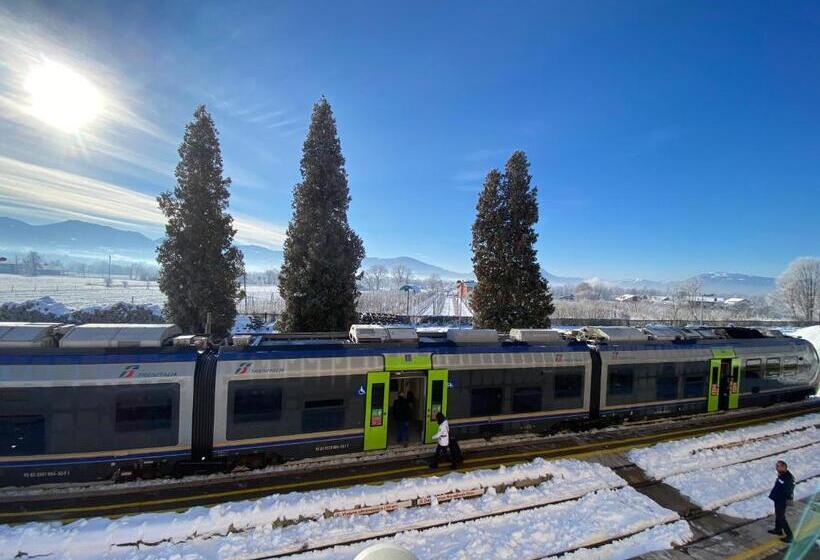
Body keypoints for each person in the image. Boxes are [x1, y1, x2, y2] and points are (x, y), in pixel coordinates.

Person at [767, 460, 795, 543]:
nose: (776, 467)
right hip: (778, 499)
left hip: (782, 500)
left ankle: (790, 536)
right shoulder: (782, 474)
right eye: (776, 465)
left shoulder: (788, 478)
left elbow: (789, 491)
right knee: (778, 515)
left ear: (783, 467)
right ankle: (778, 529)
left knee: (781, 517)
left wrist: (786, 500)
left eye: (778, 466)